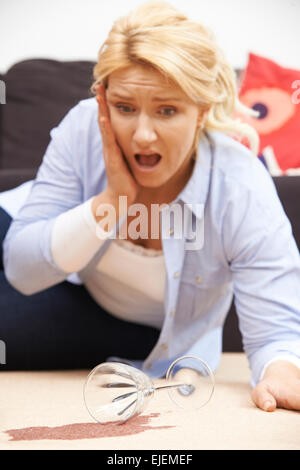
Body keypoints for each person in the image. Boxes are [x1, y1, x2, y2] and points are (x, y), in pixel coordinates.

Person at [1, 1, 300, 413]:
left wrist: (282, 369)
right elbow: (21, 263)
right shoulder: (84, 125)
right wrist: (112, 202)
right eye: (124, 108)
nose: (142, 135)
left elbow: (275, 334)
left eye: (167, 110)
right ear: (104, 101)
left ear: (201, 111)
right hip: (36, 232)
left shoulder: (240, 186)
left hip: (123, 321)